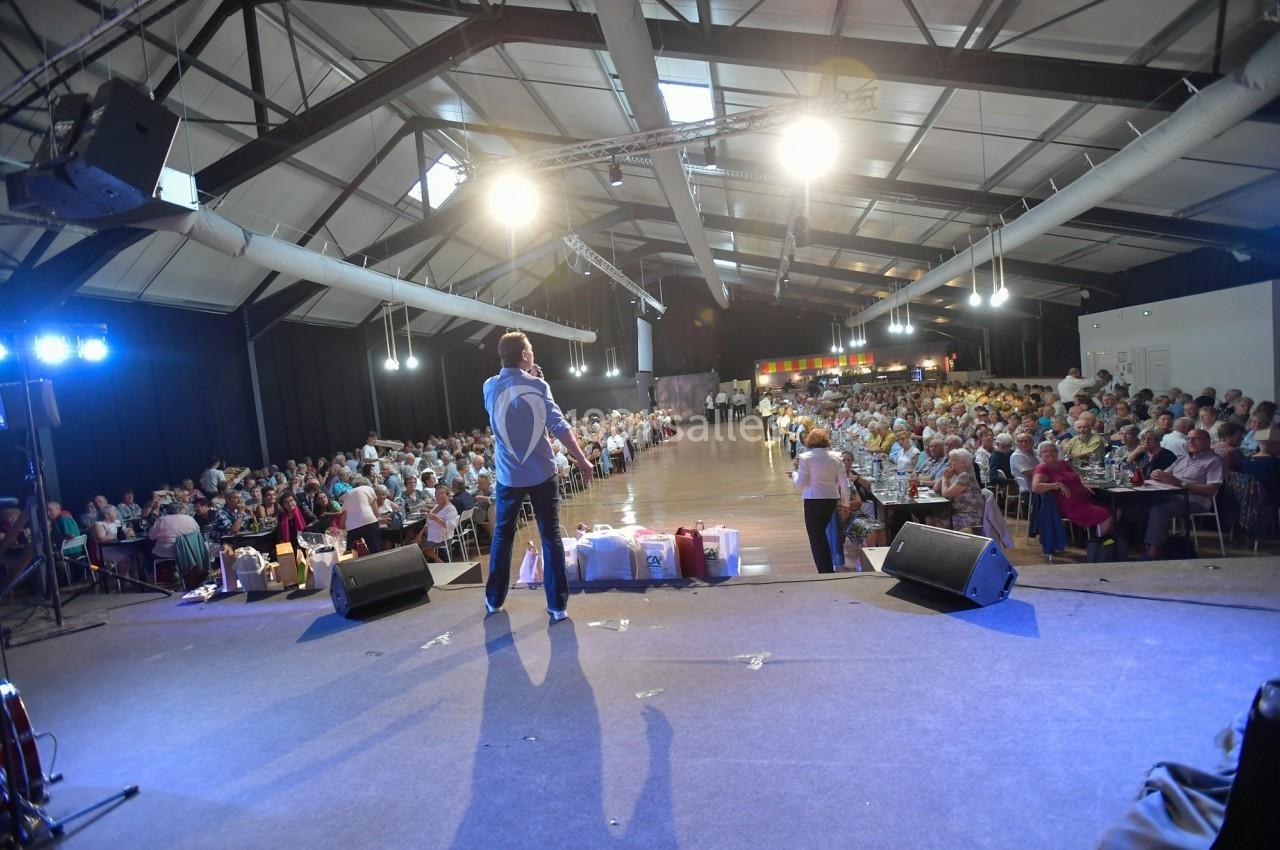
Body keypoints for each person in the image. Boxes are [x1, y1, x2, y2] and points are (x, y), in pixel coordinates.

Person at [483, 332, 592, 621]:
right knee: (550, 536)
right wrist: (581, 459)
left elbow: (508, 404)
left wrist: (528, 377)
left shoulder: (489, 386)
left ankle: (494, 601)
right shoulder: (539, 386)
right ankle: (558, 606)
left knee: (502, 536)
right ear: (526, 355)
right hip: (542, 473)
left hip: (509, 476)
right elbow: (558, 426)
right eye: (530, 350)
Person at [1143, 429, 1224, 559]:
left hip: (1195, 501)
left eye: (1196, 438)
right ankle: (1146, 544)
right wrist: (1156, 474)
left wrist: (1181, 484)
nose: (1190, 441)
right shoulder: (1182, 458)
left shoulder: (1214, 461)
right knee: (1140, 504)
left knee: (1159, 509)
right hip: (1171, 496)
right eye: (1188, 438)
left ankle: (1154, 550)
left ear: (1208, 442)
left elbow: (1212, 490)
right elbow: (1165, 474)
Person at [792, 429, 850, 574]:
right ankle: (826, 569)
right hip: (830, 500)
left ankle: (825, 571)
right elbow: (844, 484)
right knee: (820, 535)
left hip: (813, 500)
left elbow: (800, 483)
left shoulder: (805, 458)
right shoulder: (836, 457)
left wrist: (794, 474)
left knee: (816, 538)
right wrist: (845, 504)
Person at [1031, 441, 1114, 536]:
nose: (1050, 453)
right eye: (1045, 451)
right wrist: (1056, 485)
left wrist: (1083, 483)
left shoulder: (1063, 463)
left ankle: (1108, 540)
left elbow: (1077, 474)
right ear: (1040, 455)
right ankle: (1099, 544)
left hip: (1084, 500)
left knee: (1116, 508)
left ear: (1057, 452)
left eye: (1052, 450)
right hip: (1071, 506)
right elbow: (1035, 487)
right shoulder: (1042, 469)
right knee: (1108, 514)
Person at [937, 448, 985, 532]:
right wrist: (944, 477)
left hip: (970, 515)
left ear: (963, 463)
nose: (949, 463)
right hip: (957, 511)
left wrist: (945, 479)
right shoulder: (956, 475)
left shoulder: (965, 476)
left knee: (937, 522)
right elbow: (936, 488)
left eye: (952, 461)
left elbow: (946, 494)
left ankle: (943, 544)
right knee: (931, 517)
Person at [338, 475, 381, 555]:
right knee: (375, 549)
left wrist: (342, 528)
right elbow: (376, 513)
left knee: (352, 553)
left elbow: (343, 518)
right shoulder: (369, 489)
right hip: (369, 521)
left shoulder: (347, 494)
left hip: (352, 526)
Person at [422, 484, 460, 562]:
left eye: (442, 493)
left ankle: (439, 561)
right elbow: (427, 523)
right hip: (431, 535)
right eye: (437, 494)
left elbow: (451, 526)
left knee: (415, 546)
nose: (439, 495)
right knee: (411, 536)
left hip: (442, 538)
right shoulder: (437, 506)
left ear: (447, 495)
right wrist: (419, 535)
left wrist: (437, 519)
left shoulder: (451, 509)